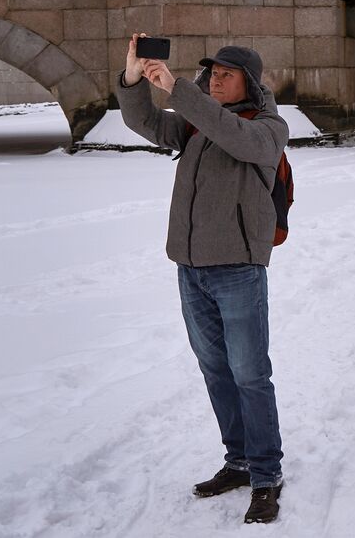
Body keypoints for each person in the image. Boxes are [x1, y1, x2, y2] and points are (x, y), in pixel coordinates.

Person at [117, 35, 290, 525]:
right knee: (216, 371)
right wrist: (134, 79)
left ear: (251, 85)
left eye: (226, 74)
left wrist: (178, 88)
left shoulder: (268, 129)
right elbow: (145, 121)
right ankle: (237, 461)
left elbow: (233, 134)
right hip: (190, 269)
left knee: (251, 376)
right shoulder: (196, 124)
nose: (215, 79)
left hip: (237, 269)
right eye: (211, 72)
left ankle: (265, 474)